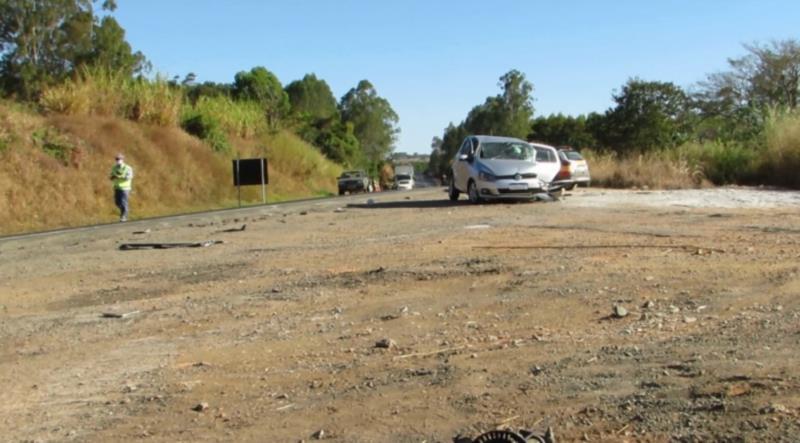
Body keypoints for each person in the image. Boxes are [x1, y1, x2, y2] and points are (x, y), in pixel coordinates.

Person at [109, 153, 134, 222]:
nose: (118, 160)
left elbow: (129, 177)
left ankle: (124, 216)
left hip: (125, 188)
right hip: (117, 187)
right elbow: (111, 176)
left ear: (123, 160)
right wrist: (112, 177)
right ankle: (125, 210)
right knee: (117, 202)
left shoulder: (127, 168)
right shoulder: (114, 167)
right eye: (116, 159)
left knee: (123, 202)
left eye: (119, 159)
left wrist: (120, 177)